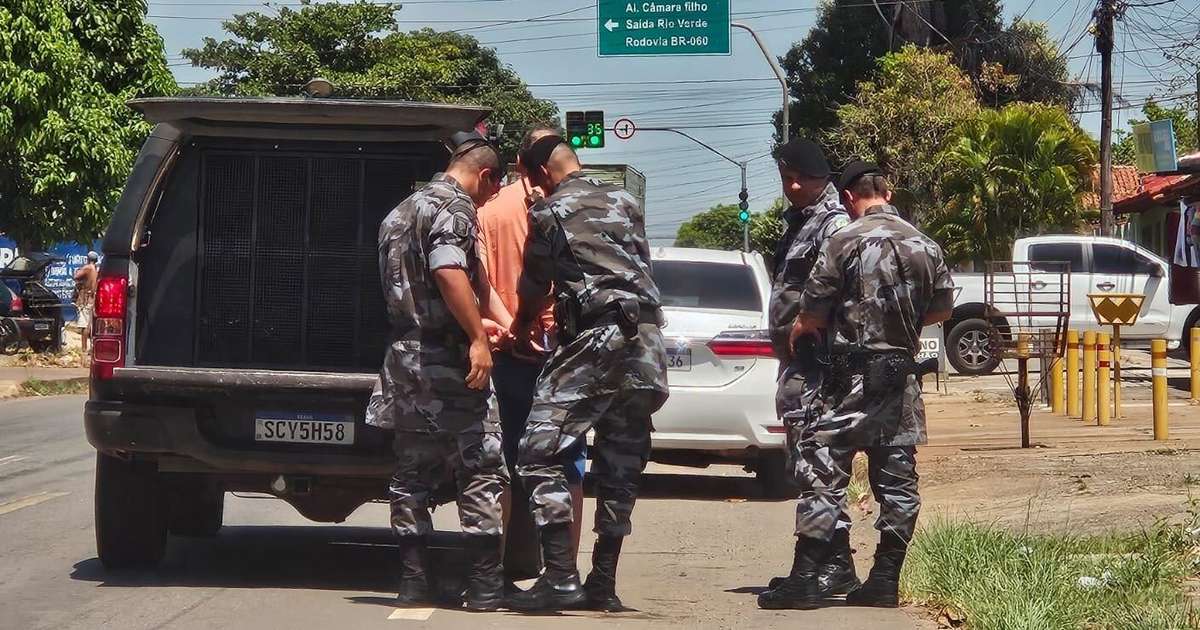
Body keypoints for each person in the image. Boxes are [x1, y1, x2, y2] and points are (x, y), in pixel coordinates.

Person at [758, 162, 954, 610]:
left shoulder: (842, 240)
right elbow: (942, 310)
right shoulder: (926, 244)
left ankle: (806, 578)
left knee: (823, 476)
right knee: (898, 481)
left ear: (848, 198)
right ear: (887, 190)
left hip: (846, 380)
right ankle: (885, 579)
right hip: (900, 377)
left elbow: (809, 317)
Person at [506, 128, 669, 612]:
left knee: (537, 450)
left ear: (537, 173)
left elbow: (535, 285)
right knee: (620, 463)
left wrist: (519, 327)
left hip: (597, 339)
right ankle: (603, 583)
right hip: (646, 342)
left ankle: (559, 577)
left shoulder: (549, 211)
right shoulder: (625, 200)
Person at [365, 131, 509, 612]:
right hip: (449, 361)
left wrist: (491, 322)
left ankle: (413, 582)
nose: (489, 199)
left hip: (405, 360)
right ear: (485, 175)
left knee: (410, 475)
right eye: (492, 189)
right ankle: (486, 588)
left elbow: (442, 286)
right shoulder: (456, 208)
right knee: (481, 468)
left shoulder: (398, 212)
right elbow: (449, 271)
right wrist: (476, 337)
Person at [474, 144, 588, 585]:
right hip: (566, 349)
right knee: (567, 460)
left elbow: (481, 281)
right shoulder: (590, 206)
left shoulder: (490, 211)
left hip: (510, 350)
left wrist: (511, 329)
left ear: (520, 166)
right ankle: (565, 572)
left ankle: (500, 569)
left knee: (503, 458)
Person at [764, 139, 855, 598]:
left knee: (818, 465)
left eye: (801, 178)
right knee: (808, 465)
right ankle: (836, 565)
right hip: (799, 365)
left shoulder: (834, 225)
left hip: (820, 365)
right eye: (786, 179)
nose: (793, 186)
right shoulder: (801, 223)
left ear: (823, 179)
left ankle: (814, 569)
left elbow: (835, 291)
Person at [73, 252, 99, 358]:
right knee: (90, 325)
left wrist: (79, 270)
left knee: (84, 326)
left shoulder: (88, 268)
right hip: (92, 299)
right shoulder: (96, 270)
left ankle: (83, 350)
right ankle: (92, 348)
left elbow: (76, 276)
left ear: (88, 259)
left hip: (85, 299)